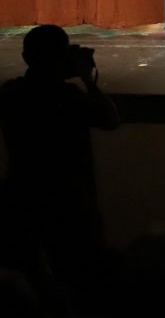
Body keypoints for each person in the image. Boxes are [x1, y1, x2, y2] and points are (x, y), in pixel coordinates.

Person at [0, 25, 119, 282]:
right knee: (80, 271)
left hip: (22, 195)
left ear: (26, 58)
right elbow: (110, 119)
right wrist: (88, 79)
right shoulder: (68, 97)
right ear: (63, 58)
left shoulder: (11, 92)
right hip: (71, 200)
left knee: (26, 271)